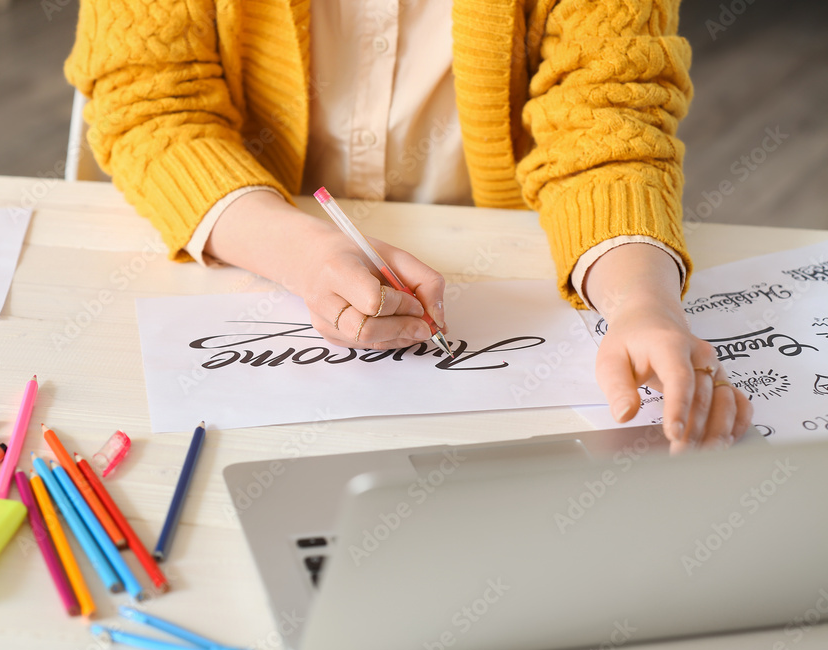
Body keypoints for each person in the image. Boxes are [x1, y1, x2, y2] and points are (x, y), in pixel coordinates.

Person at [64, 0, 752, 451]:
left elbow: (608, 117)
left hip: (506, 282)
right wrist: (301, 251)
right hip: (258, 245)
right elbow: (150, 103)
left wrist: (641, 303)